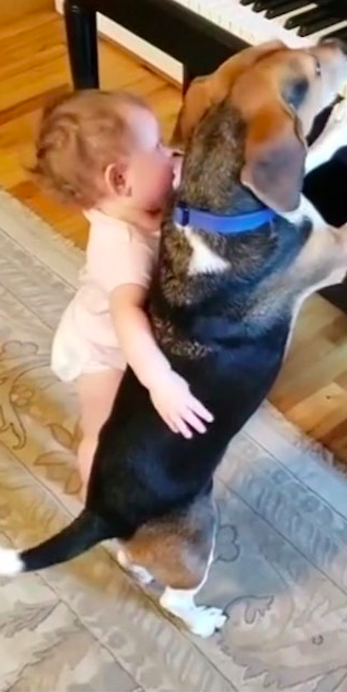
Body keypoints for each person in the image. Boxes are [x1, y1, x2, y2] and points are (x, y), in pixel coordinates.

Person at [34, 89, 212, 497]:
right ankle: (99, 495)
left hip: (129, 334)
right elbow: (127, 315)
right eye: (158, 147)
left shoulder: (128, 201)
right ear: (119, 179)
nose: (170, 154)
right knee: (106, 429)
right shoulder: (123, 248)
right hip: (104, 349)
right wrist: (161, 381)